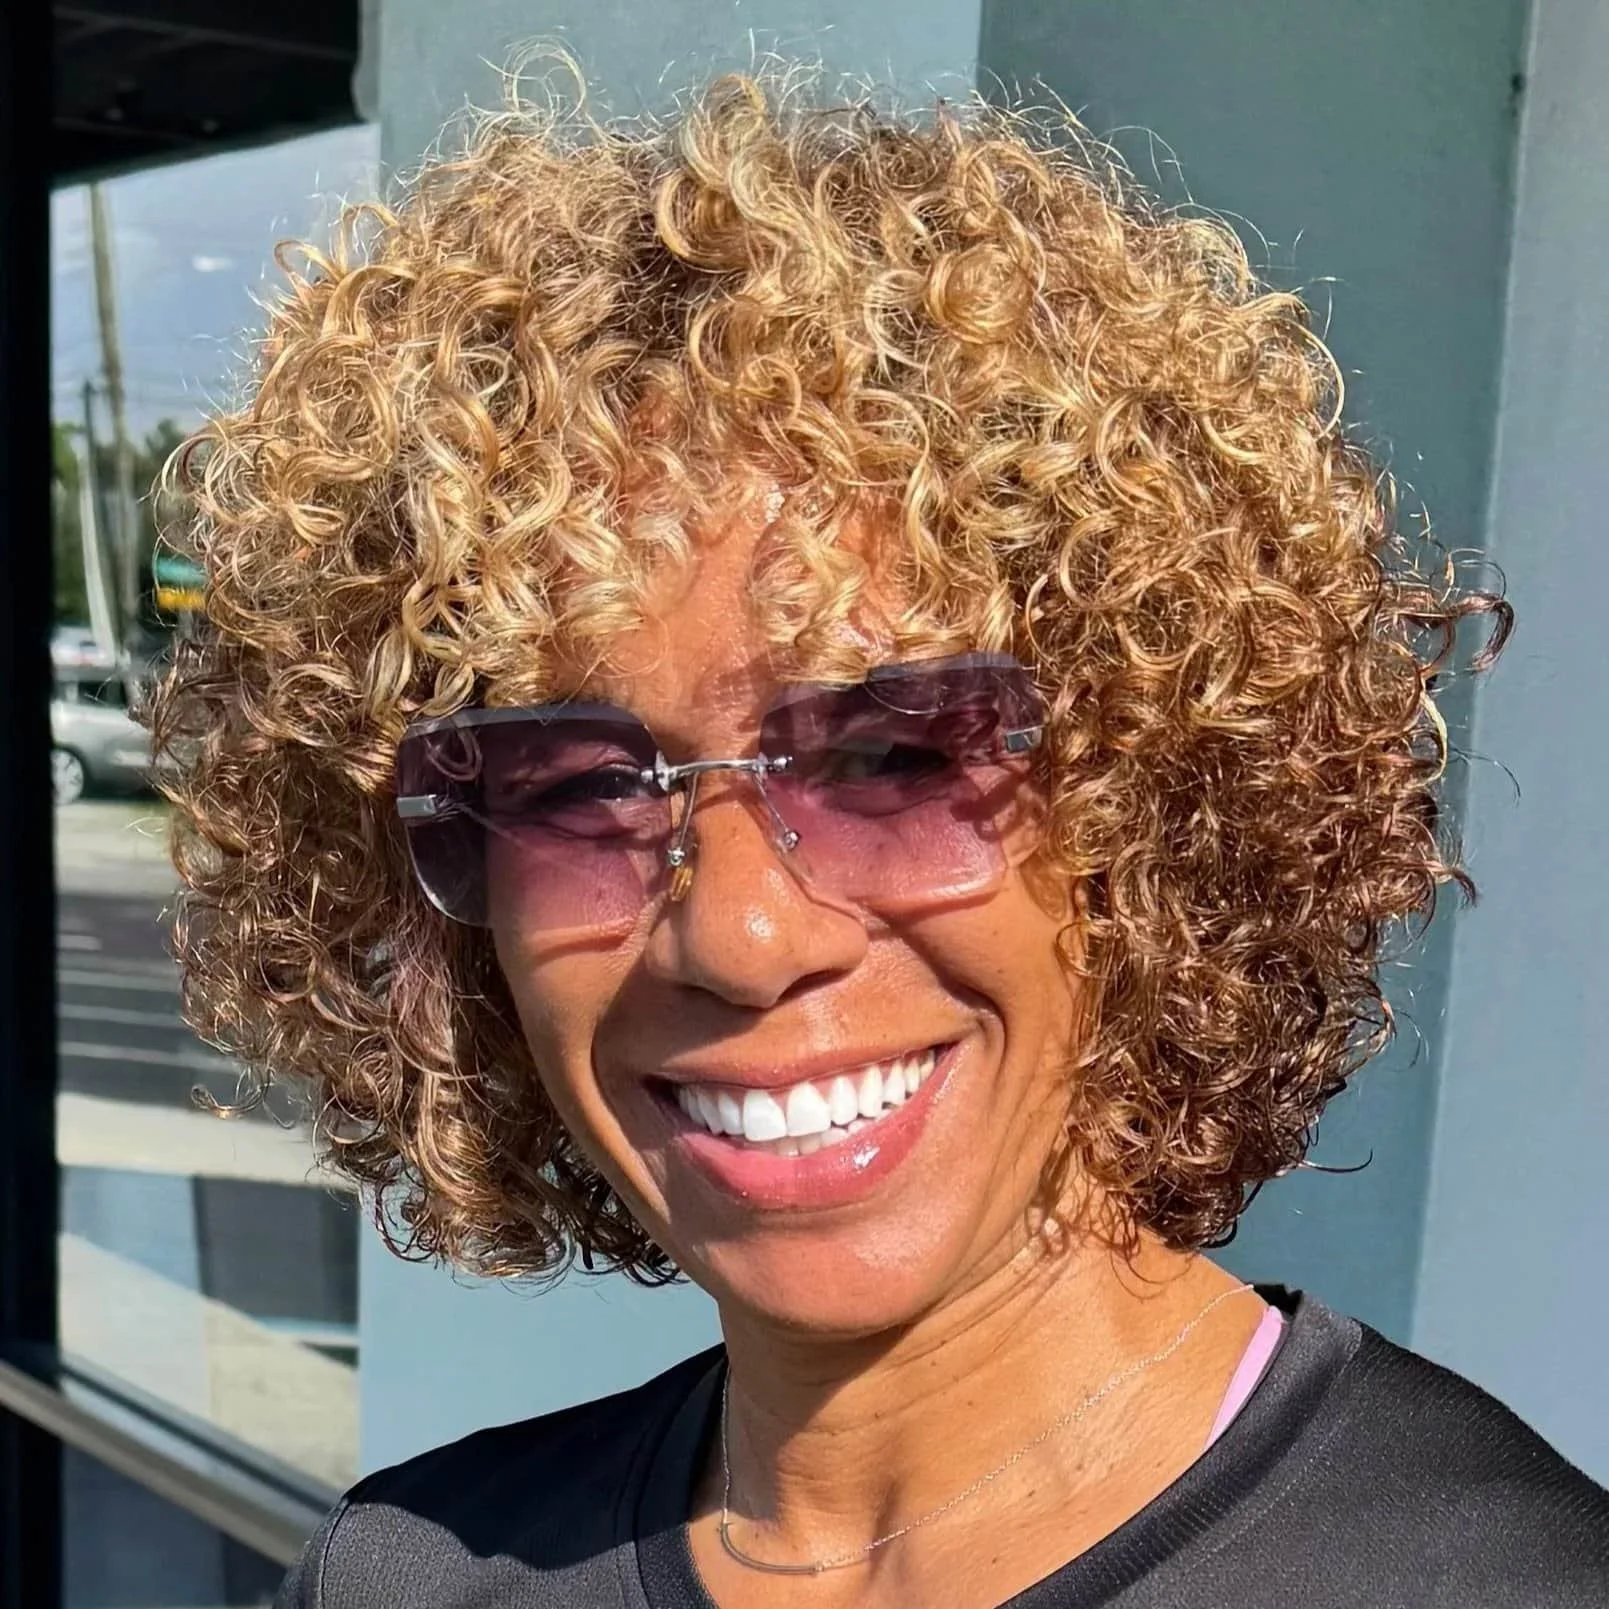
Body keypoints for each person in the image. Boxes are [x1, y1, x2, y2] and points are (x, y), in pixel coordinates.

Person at [148, 60, 1609, 1609]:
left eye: (893, 756)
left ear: (1159, 805)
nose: (739, 936)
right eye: (575, 788)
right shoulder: (406, 1576)